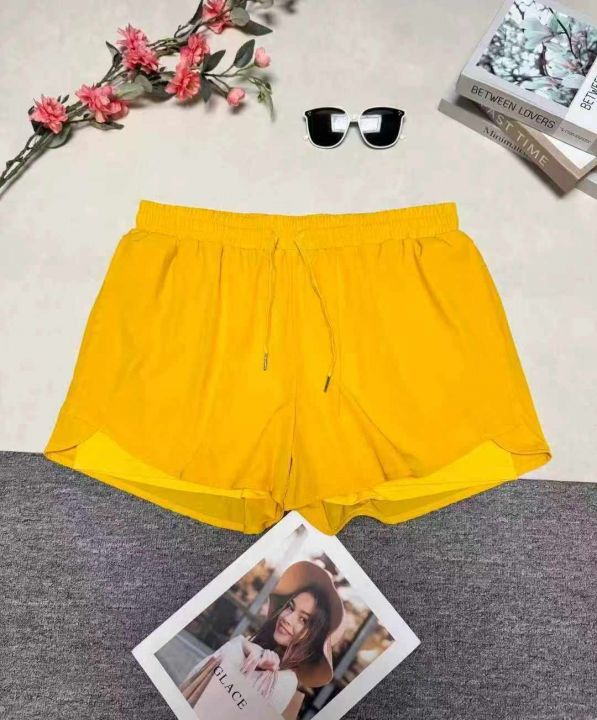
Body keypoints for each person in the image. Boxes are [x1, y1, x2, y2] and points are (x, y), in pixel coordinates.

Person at [180, 561, 345, 719]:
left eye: (303, 620)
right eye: (290, 607)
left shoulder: (286, 681)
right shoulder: (257, 646)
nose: (287, 618)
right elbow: (195, 678)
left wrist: (241, 646)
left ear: (313, 637)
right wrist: (246, 646)